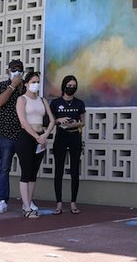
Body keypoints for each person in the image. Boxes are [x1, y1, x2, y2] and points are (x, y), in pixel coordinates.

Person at [15, 70, 55, 218]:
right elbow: (23, 122)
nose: (35, 84)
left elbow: (52, 119)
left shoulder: (42, 100)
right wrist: (36, 137)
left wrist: (45, 134)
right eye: (33, 82)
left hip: (41, 137)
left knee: (33, 173)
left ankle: (29, 202)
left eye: (37, 82)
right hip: (26, 137)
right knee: (26, 172)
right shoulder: (22, 99)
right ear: (26, 84)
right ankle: (26, 208)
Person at [0, 59, 25, 214]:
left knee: (27, 168)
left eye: (19, 69)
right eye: (14, 69)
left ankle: (27, 200)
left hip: (24, 134)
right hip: (6, 134)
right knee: (4, 168)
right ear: (8, 71)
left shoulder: (27, 88)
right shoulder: (1, 86)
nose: (17, 72)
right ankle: (2, 200)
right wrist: (12, 85)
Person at [50, 74, 85, 215]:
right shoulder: (55, 103)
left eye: (74, 86)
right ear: (64, 86)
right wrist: (60, 120)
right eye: (69, 85)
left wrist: (77, 123)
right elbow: (50, 121)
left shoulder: (79, 103)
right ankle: (59, 203)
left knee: (75, 170)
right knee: (59, 170)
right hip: (60, 138)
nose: (71, 88)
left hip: (75, 136)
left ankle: (73, 203)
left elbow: (83, 121)